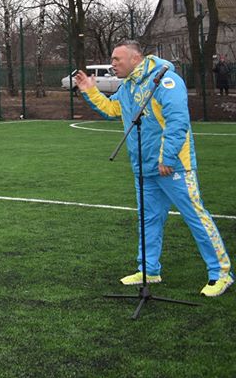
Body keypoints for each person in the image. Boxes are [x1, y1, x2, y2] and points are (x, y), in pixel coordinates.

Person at [75, 40, 232, 298]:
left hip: (173, 167)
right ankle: (149, 270)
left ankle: (221, 273)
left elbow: (177, 121)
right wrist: (90, 91)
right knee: (148, 219)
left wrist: (167, 158)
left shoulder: (166, 80)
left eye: (116, 59)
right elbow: (113, 109)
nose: (112, 64)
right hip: (144, 167)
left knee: (196, 217)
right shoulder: (128, 86)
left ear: (135, 58)